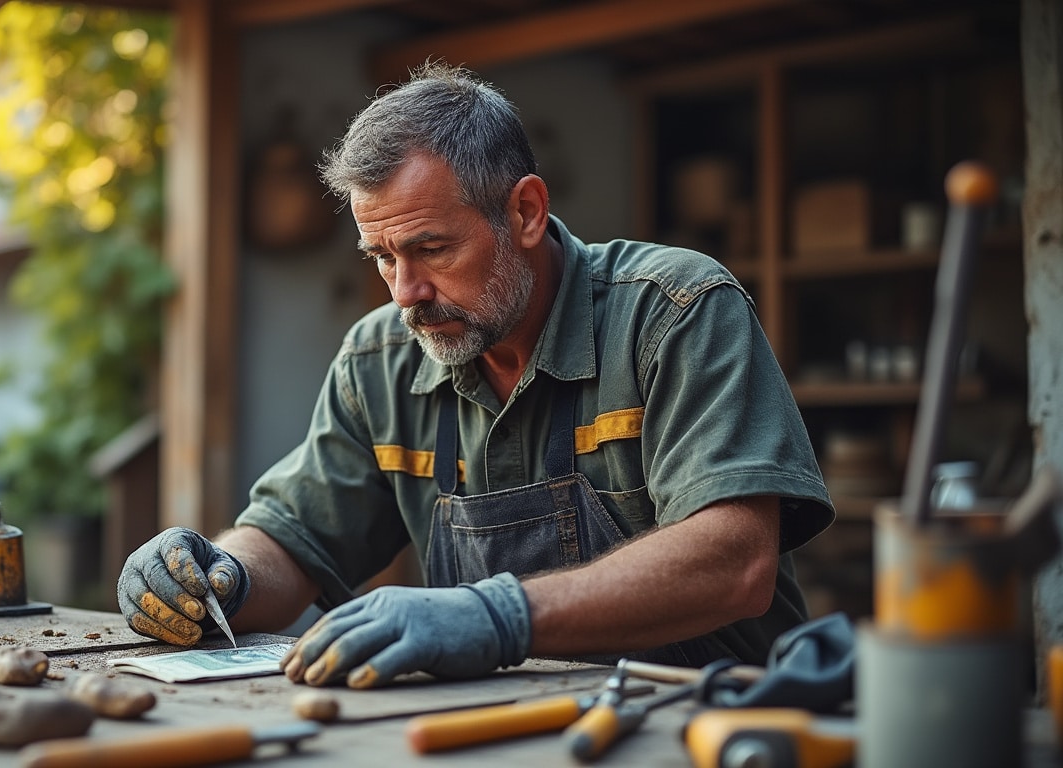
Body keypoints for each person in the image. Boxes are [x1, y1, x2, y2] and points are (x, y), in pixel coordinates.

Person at [118, 62, 834, 689]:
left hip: (707, 725)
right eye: (382, 257)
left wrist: (498, 614)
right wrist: (217, 574)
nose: (405, 292)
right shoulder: (381, 360)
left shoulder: (674, 313)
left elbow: (735, 563)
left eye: (430, 248)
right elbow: (293, 538)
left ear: (525, 211)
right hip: (490, 736)